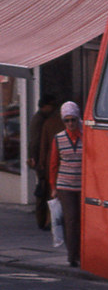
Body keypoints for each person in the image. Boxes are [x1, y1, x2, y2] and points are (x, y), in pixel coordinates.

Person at [49, 101, 84, 268]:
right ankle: (72, 256)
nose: (70, 123)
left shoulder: (86, 137)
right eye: (67, 120)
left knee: (83, 220)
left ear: (78, 119)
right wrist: (53, 187)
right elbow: (54, 164)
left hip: (83, 185)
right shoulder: (59, 138)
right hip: (65, 185)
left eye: (73, 120)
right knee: (71, 219)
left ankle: (82, 252)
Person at [26, 94, 60, 229]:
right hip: (41, 161)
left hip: (41, 160)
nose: (53, 109)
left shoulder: (42, 119)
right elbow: (35, 142)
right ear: (45, 106)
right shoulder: (40, 120)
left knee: (44, 190)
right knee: (43, 190)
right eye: (51, 106)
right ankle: (43, 220)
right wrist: (35, 159)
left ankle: (44, 220)